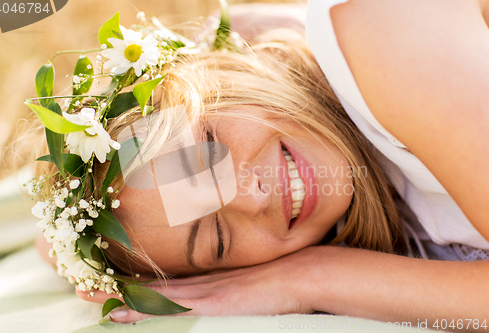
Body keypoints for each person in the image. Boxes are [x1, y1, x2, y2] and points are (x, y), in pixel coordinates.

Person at [32, 0, 489, 328]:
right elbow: (46, 243)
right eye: (217, 237)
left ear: (222, 75)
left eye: (208, 155)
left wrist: (313, 277)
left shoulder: (382, 37)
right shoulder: (366, 203)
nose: (251, 198)